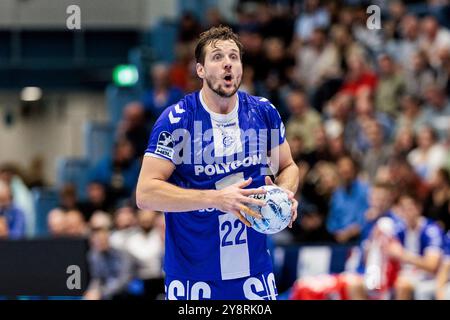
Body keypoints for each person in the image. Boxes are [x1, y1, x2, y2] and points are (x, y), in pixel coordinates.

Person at [136, 26, 299, 300]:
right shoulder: (178, 121)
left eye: (234, 57)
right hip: (193, 279)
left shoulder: (262, 113)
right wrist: (217, 199)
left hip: (253, 273)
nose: (228, 63)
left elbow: (288, 167)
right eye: (217, 57)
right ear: (200, 69)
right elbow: (146, 193)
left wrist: (284, 193)